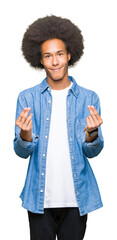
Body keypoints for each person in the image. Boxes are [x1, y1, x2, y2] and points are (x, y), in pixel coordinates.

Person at [13, 15, 104, 240]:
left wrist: (92, 133)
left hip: (77, 200)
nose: (55, 62)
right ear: (41, 60)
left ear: (69, 55)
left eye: (59, 54)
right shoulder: (27, 98)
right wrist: (24, 134)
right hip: (39, 199)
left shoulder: (89, 98)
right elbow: (21, 152)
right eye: (48, 56)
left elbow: (92, 151)